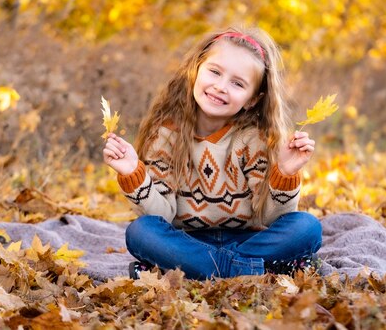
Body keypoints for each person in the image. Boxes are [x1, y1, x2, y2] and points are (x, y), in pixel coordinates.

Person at [103, 27, 322, 280]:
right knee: (141, 232)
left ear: (252, 99)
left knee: (307, 227)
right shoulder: (166, 135)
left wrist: (284, 174)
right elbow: (162, 215)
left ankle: (199, 270)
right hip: (186, 241)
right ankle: (252, 269)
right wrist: (134, 174)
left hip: (247, 238)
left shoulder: (254, 138)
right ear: (195, 70)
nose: (220, 87)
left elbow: (271, 218)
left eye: (237, 83)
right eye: (215, 72)